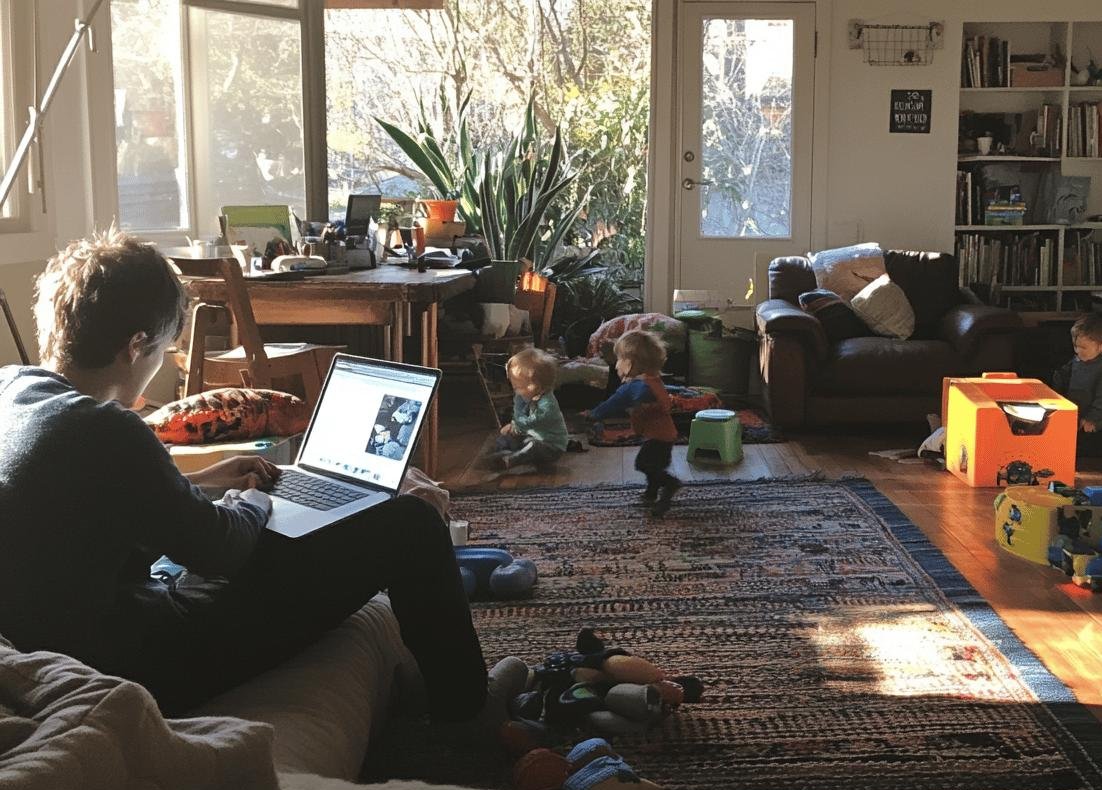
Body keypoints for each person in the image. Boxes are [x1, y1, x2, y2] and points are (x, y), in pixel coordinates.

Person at [0, 229, 514, 734]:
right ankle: (468, 707)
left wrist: (199, 484)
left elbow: (94, 503)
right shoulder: (107, 428)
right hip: (141, 664)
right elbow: (221, 550)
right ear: (136, 345)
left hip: (56, 640)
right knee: (410, 521)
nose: (159, 363)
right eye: (162, 350)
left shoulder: (11, 392)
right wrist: (248, 499)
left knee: (280, 530)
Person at [588, 330, 682, 517]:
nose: (616, 365)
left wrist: (593, 414)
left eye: (619, 359)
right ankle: (651, 493)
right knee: (653, 465)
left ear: (630, 363)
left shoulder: (636, 387)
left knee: (644, 464)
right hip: (663, 434)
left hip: (659, 436)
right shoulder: (651, 380)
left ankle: (670, 485)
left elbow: (613, 403)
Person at [486, 347, 569, 471]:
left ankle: (511, 459)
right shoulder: (524, 396)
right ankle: (499, 455)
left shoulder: (548, 403)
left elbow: (535, 420)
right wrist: (514, 425)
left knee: (533, 446)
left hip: (551, 446)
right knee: (509, 439)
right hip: (530, 436)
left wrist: (517, 426)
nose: (516, 391)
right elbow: (518, 413)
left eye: (518, 387)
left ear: (534, 386)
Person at [1050, 315, 1102, 454]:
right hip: (1070, 412)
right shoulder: (1075, 360)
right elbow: (1062, 376)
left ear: (1101, 346)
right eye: (1076, 346)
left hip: (1088, 419)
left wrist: (1092, 419)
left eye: (1084, 348)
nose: (1078, 351)